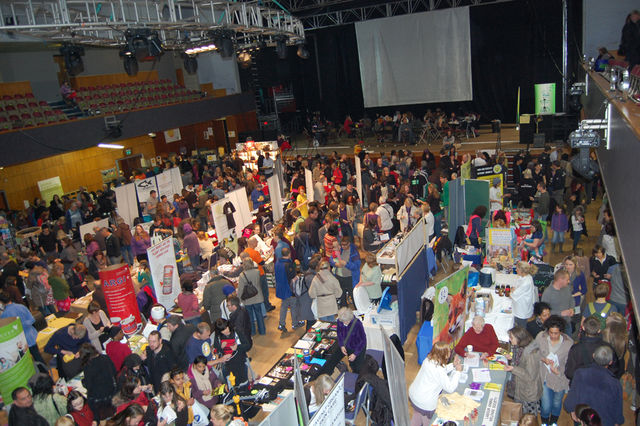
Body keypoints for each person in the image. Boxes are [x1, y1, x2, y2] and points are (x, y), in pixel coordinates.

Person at [564, 345, 624, 426]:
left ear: (593, 355)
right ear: (610, 362)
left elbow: (570, 400)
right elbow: (618, 412)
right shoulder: (615, 383)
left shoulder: (580, 373)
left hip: (584, 419)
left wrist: (571, 410)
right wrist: (618, 422)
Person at [408, 341, 462, 426]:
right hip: (425, 402)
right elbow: (450, 387)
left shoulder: (428, 360)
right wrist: (458, 372)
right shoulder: (439, 370)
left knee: (417, 415)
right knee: (427, 422)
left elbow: (441, 370)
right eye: (448, 353)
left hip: (414, 395)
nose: (449, 355)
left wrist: (453, 365)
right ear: (443, 355)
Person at [534, 315, 573, 426]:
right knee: (546, 405)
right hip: (545, 377)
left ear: (561, 332)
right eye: (551, 332)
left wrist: (559, 371)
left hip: (560, 379)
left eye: (556, 333)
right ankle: (545, 422)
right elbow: (533, 352)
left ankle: (554, 421)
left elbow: (569, 364)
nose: (553, 336)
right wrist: (543, 359)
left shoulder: (568, 343)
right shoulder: (540, 337)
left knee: (556, 403)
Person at [565, 316, 621, 381]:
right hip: (601, 384)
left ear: (583, 328)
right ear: (599, 330)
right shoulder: (608, 348)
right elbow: (615, 370)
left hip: (581, 385)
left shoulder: (575, 349)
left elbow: (569, 373)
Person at [504, 327, 541, 415]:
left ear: (519, 338)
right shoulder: (521, 347)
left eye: (511, 338)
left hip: (528, 393)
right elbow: (521, 362)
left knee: (528, 418)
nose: (509, 340)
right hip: (520, 388)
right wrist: (512, 357)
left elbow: (530, 376)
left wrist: (513, 369)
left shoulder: (531, 354)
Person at [0, 291, 44, 364]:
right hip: (31, 336)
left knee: (26, 361)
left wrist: (19, 325)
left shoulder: (4, 314)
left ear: (1, 302)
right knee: (38, 357)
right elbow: (32, 319)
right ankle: (45, 372)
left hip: (20, 341)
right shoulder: (21, 306)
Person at [80, 343, 118, 421]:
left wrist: (83, 382)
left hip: (99, 399)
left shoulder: (88, 366)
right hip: (111, 393)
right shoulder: (105, 358)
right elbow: (114, 372)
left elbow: (89, 385)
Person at [212, 318, 251, 384]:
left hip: (240, 361)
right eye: (223, 331)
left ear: (228, 325)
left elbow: (248, 346)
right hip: (227, 364)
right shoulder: (218, 335)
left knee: (243, 382)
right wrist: (221, 347)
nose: (226, 331)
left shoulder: (237, 331)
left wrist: (237, 347)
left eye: (226, 328)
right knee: (232, 384)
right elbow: (217, 348)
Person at [236, 257, 265, 336]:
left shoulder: (242, 275)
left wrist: (239, 300)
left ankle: (252, 332)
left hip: (248, 299)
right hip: (258, 296)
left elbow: (240, 289)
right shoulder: (257, 272)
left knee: (250, 317)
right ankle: (262, 331)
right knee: (259, 315)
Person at [329, 236, 361, 308]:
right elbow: (331, 259)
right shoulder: (339, 249)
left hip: (350, 278)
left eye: (345, 245)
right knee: (341, 295)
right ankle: (344, 310)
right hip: (339, 277)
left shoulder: (354, 252)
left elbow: (356, 266)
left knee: (353, 295)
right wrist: (335, 264)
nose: (343, 246)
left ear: (349, 243)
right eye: (342, 244)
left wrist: (346, 264)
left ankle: (358, 310)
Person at [308, 257, 342, 322]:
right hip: (331, 305)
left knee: (323, 325)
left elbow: (311, 294)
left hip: (321, 305)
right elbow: (339, 293)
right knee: (332, 323)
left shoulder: (315, 278)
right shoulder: (333, 278)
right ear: (329, 268)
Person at [541, 268, 574, 333]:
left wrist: (572, 309)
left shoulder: (567, 288)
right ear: (560, 280)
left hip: (567, 324)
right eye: (567, 280)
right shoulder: (547, 293)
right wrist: (560, 313)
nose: (569, 281)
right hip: (555, 328)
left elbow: (571, 300)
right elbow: (544, 312)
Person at [275, 247, 299, 332]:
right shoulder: (289, 264)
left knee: (284, 306)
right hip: (289, 289)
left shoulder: (277, 262)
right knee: (293, 306)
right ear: (289, 254)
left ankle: (281, 324)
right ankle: (295, 324)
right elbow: (292, 277)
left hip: (280, 288)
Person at [337, 307, 367, 373]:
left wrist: (355, 354)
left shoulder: (357, 324)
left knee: (359, 367)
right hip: (348, 347)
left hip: (358, 348)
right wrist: (341, 345)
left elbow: (363, 341)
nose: (345, 323)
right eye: (343, 321)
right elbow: (339, 333)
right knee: (352, 364)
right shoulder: (340, 321)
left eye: (347, 321)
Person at [511, 262, 538, 328]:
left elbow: (513, 294)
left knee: (520, 328)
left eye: (517, 268)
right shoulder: (524, 277)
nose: (516, 270)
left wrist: (512, 292)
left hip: (522, 311)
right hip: (521, 307)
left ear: (522, 271)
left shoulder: (526, 282)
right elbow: (515, 288)